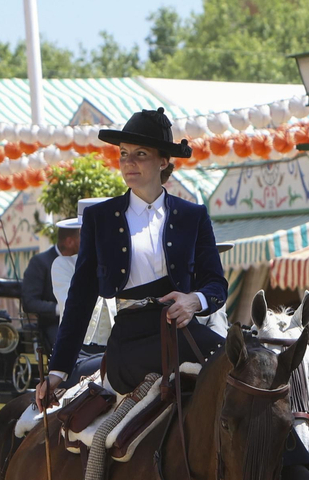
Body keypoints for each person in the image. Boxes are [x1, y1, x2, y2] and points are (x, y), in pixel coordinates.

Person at [37, 108, 226, 406]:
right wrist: (58, 371)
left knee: (245, 365)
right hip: (130, 341)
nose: (128, 162)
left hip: (183, 332)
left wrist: (195, 301)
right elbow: (80, 299)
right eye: (124, 154)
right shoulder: (100, 218)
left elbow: (216, 285)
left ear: (163, 160)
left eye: (140, 154)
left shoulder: (194, 216)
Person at [50, 197, 117, 385]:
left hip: (120, 347)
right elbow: (75, 306)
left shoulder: (126, 265)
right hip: (81, 351)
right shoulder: (64, 264)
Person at [22, 225, 72, 353]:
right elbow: (30, 302)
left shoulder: (85, 261)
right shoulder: (40, 262)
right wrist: (60, 309)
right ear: (69, 241)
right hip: (54, 324)